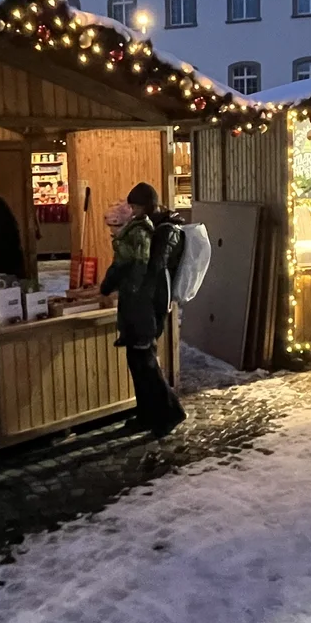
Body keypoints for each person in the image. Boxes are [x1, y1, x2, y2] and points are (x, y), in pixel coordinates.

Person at [100, 183, 187, 437]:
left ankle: (170, 413)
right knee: (138, 363)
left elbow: (144, 269)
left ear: (147, 206)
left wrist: (126, 288)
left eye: (137, 206)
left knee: (146, 364)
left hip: (144, 308)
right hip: (141, 306)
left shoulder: (147, 232)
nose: (133, 210)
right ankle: (147, 414)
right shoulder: (152, 228)